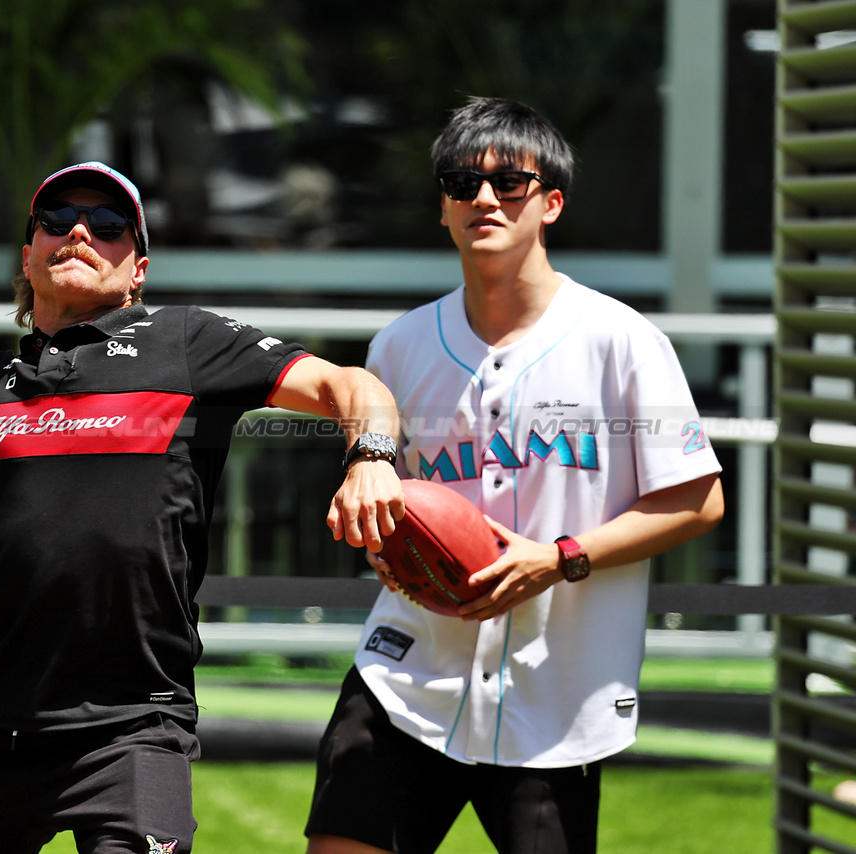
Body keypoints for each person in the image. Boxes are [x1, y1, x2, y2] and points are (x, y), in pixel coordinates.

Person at [0, 160, 404, 853]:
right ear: (29, 256)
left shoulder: (188, 344)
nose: (78, 232)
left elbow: (353, 385)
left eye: (107, 226)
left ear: (136, 269)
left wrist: (372, 457)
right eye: (56, 221)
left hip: (131, 730)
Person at [303, 98, 726, 854]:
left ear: (551, 202)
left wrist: (559, 558)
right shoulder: (399, 346)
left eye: (511, 183)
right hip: (406, 678)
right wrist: (383, 543)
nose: (485, 199)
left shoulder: (624, 341)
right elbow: (388, 501)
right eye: (463, 183)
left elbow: (697, 501)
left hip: (555, 695)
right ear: (443, 207)